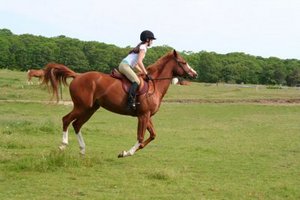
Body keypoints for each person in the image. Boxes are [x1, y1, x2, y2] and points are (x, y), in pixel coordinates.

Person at [118, 30, 156, 110]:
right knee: (137, 81)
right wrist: (146, 73)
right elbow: (139, 62)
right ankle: (130, 102)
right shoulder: (143, 47)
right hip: (125, 66)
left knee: (136, 79)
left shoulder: (140, 46)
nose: (152, 42)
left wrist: (142, 71)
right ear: (147, 40)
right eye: (151, 40)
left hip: (123, 65)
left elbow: (135, 64)